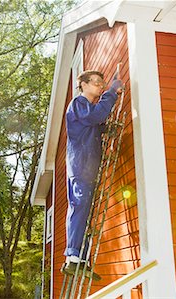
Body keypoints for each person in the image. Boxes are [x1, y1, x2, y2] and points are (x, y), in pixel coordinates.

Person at [62, 70, 123, 280]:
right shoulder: (79, 103)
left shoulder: (86, 109)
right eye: (96, 83)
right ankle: (73, 256)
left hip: (86, 165)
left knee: (84, 209)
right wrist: (112, 92)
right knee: (80, 205)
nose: (100, 86)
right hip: (81, 165)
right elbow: (95, 116)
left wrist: (105, 129)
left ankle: (80, 258)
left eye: (102, 83)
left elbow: (93, 125)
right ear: (83, 84)